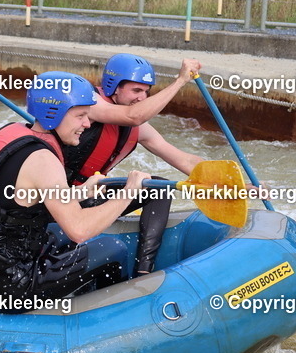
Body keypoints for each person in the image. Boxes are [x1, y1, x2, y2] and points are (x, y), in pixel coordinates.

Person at [0, 71, 151, 312]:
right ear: (55, 113)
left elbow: (21, 197)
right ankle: (108, 316)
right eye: (81, 115)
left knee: (57, 235)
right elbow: (80, 230)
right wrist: (129, 192)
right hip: (10, 288)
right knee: (113, 248)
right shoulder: (43, 159)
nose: (87, 124)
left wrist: (80, 192)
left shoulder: (12, 132)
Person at [63, 53, 206, 275]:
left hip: (91, 195)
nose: (143, 97)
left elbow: (184, 159)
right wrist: (180, 81)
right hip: (60, 196)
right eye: (136, 91)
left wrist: (233, 183)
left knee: (158, 188)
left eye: (146, 92)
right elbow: (133, 116)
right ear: (114, 87)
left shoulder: (138, 128)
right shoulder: (89, 103)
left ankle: (143, 271)